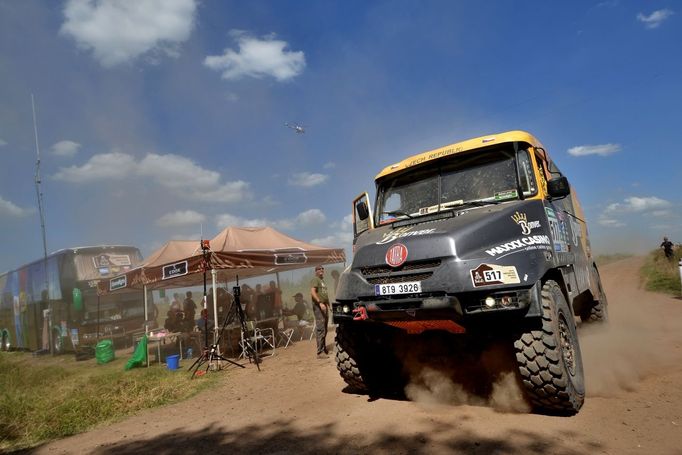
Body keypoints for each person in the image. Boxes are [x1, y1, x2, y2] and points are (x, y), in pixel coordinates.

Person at [310, 265, 330, 359]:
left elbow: (325, 295)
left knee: (325, 328)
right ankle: (320, 352)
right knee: (321, 328)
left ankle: (323, 348)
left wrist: (328, 305)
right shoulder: (315, 279)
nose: (321, 270)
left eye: (322, 269)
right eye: (319, 269)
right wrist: (320, 302)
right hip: (318, 306)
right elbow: (313, 292)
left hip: (324, 306)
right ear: (316, 271)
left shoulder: (323, 281)